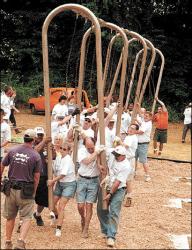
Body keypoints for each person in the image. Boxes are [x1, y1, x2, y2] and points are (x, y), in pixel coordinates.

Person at [1, 129, 41, 249]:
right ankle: (20, 242)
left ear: (24, 138)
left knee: (10, 217)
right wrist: (34, 191)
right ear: (33, 140)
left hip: (11, 189)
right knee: (27, 217)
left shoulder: (13, 150)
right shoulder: (35, 155)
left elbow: (2, 165)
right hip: (26, 190)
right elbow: (36, 177)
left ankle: (8, 242)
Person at [97, 145, 132, 247]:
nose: (115, 156)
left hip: (118, 189)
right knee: (100, 209)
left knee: (114, 212)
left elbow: (117, 182)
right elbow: (101, 150)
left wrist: (110, 194)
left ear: (123, 156)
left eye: (118, 155)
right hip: (107, 184)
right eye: (115, 154)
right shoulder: (113, 153)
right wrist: (99, 164)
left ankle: (111, 236)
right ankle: (105, 231)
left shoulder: (126, 166)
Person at [76, 137, 105, 238]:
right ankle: (83, 218)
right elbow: (87, 161)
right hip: (81, 180)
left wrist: (99, 165)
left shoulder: (98, 150)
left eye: (92, 147)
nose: (91, 150)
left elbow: (100, 161)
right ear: (85, 146)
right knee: (80, 206)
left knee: (89, 205)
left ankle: (86, 228)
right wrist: (96, 152)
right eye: (89, 148)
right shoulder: (81, 151)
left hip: (94, 181)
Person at [33, 127, 55, 227]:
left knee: (42, 200)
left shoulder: (46, 145)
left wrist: (52, 150)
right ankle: (22, 221)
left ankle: (37, 215)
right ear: (34, 136)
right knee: (27, 199)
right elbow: (35, 151)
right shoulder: (31, 145)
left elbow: (54, 157)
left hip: (44, 176)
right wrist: (44, 142)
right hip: (32, 177)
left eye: (41, 135)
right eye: (38, 135)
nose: (40, 137)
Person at [135, 111, 153, 182]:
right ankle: (134, 173)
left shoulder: (148, 124)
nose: (145, 117)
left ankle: (147, 175)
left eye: (147, 116)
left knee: (143, 160)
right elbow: (141, 124)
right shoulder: (144, 122)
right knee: (134, 159)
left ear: (150, 117)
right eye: (144, 116)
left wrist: (133, 132)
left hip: (143, 144)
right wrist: (136, 120)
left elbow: (141, 131)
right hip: (137, 143)